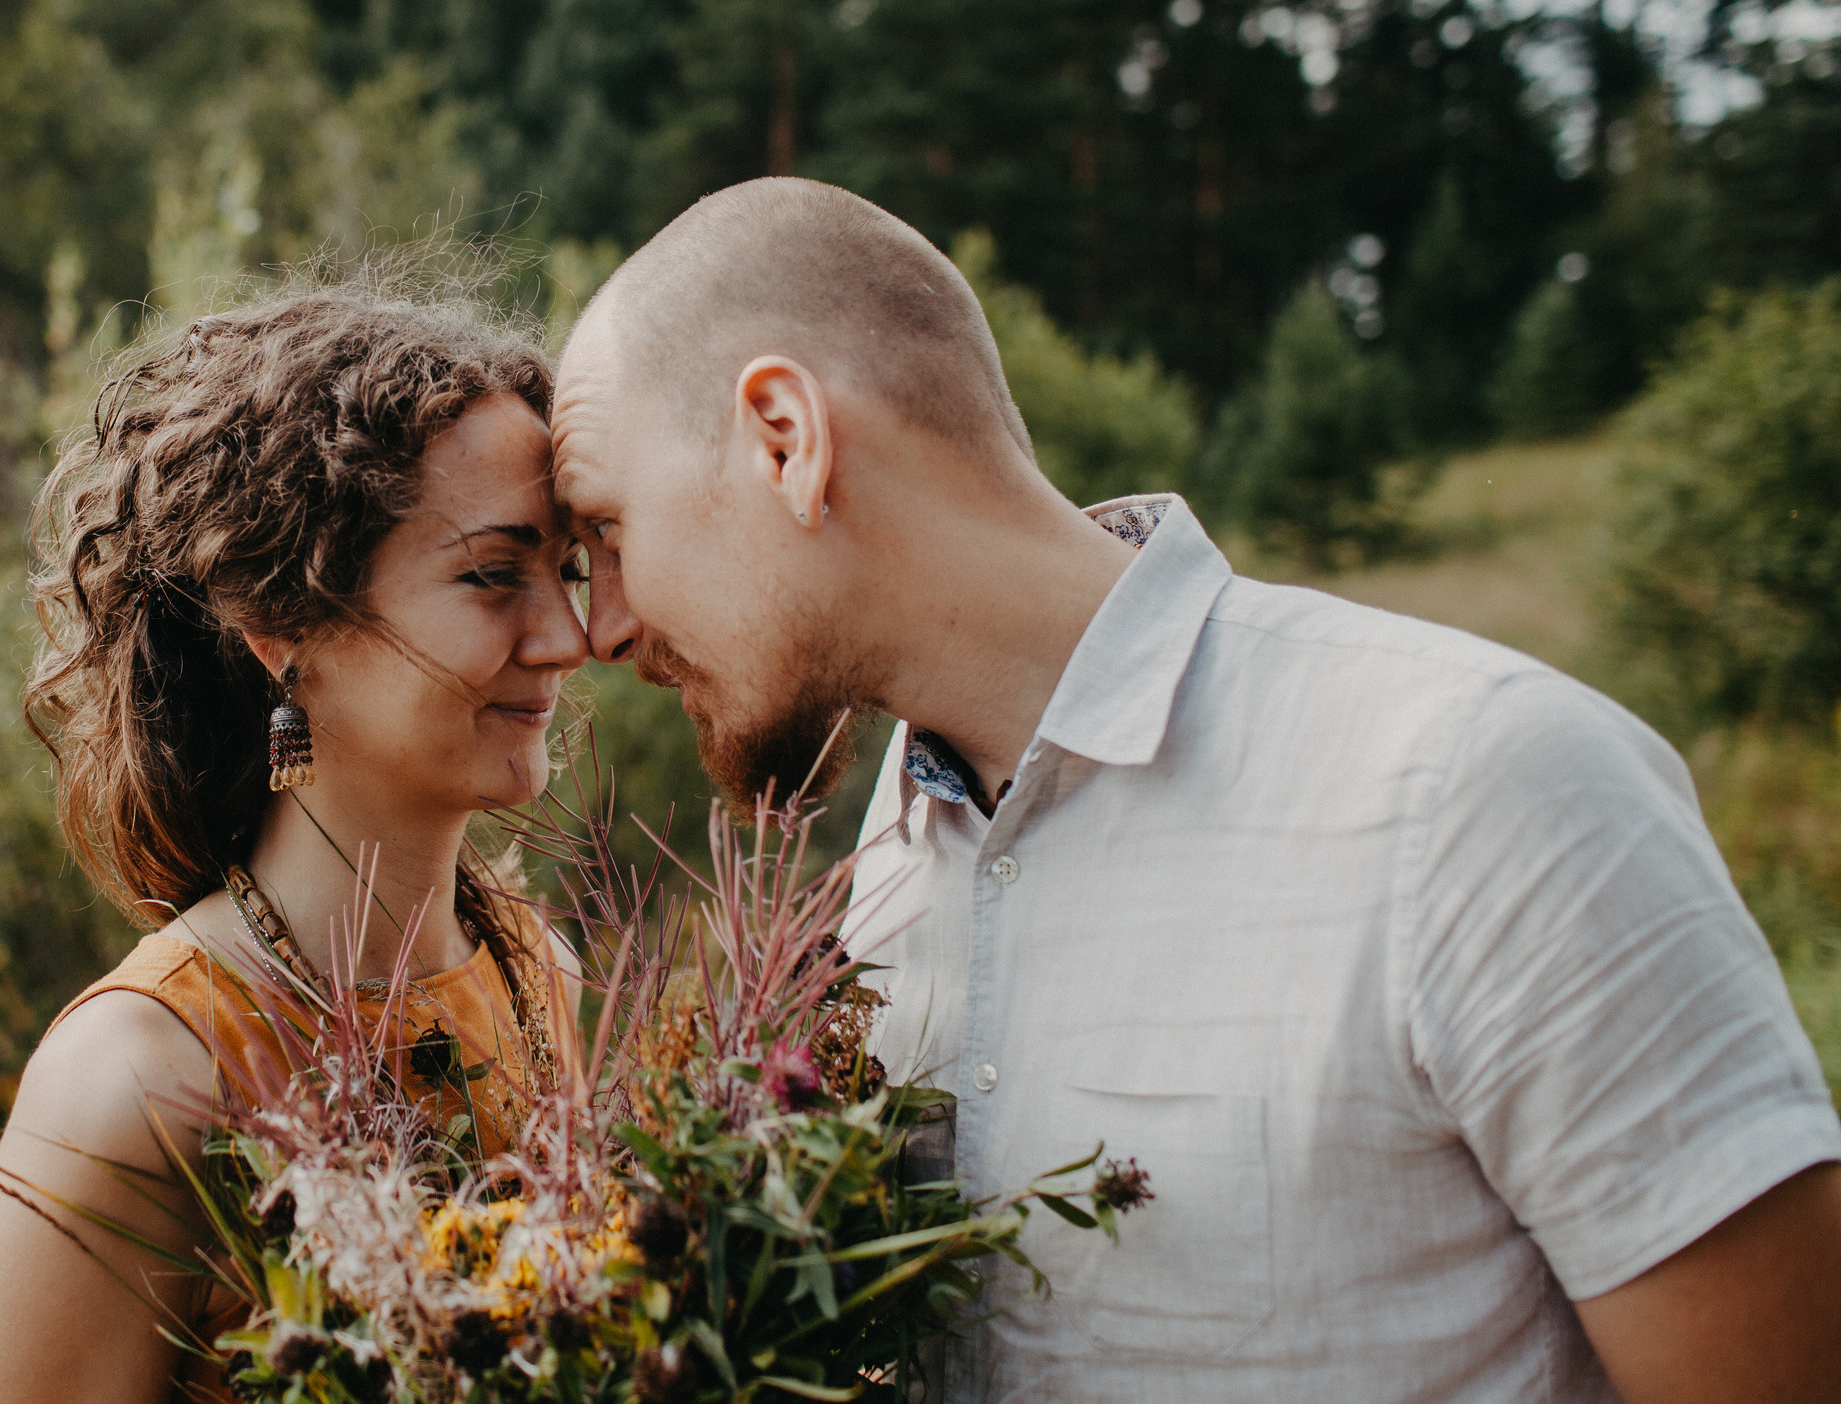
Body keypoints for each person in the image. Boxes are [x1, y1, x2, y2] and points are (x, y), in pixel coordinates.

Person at [548, 176, 1841, 1403]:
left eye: (605, 532)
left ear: (785, 438)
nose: (599, 628)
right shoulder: (866, 901)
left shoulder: (1486, 791)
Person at [0, 286, 590, 1404]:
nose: (568, 637)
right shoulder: (136, 1086)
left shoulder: (539, 979)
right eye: (495, 574)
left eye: (568, 572)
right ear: (284, 631)